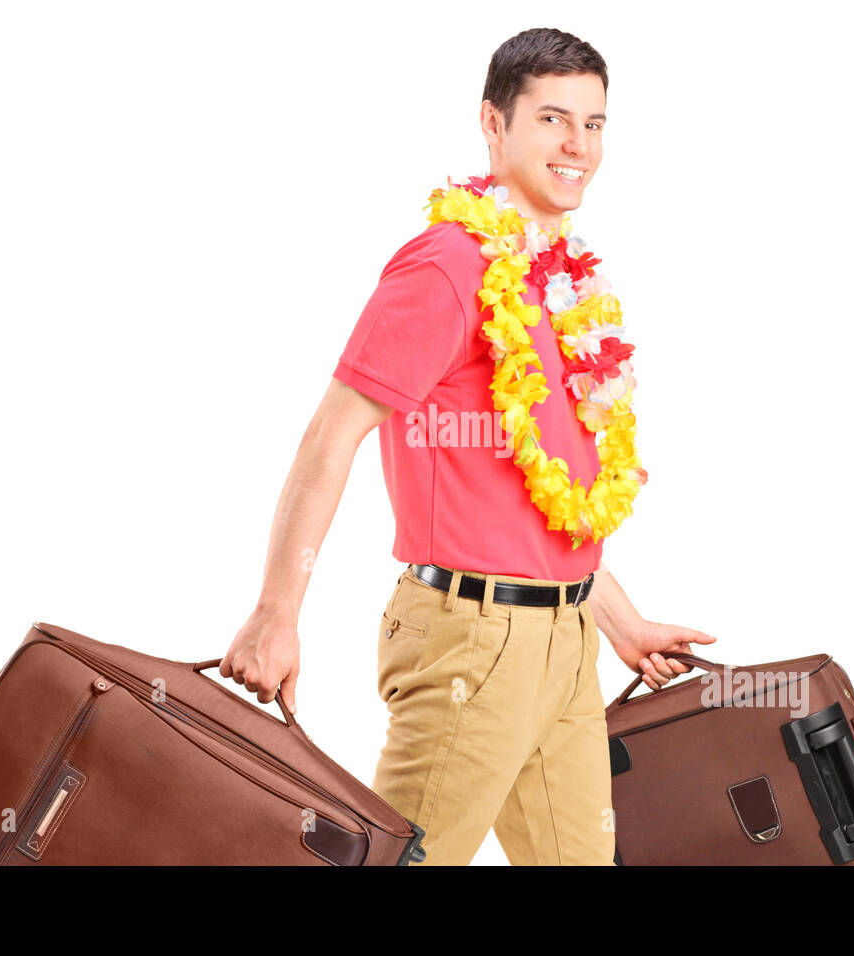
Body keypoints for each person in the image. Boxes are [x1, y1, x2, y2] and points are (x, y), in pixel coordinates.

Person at [220, 26, 716, 866]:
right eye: (553, 119)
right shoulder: (448, 266)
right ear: (493, 123)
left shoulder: (559, 282)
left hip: (565, 644)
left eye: (594, 124)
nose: (578, 146)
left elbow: (533, 500)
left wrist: (619, 622)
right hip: (474, 642)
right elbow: (331, 434)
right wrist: (278, 610)